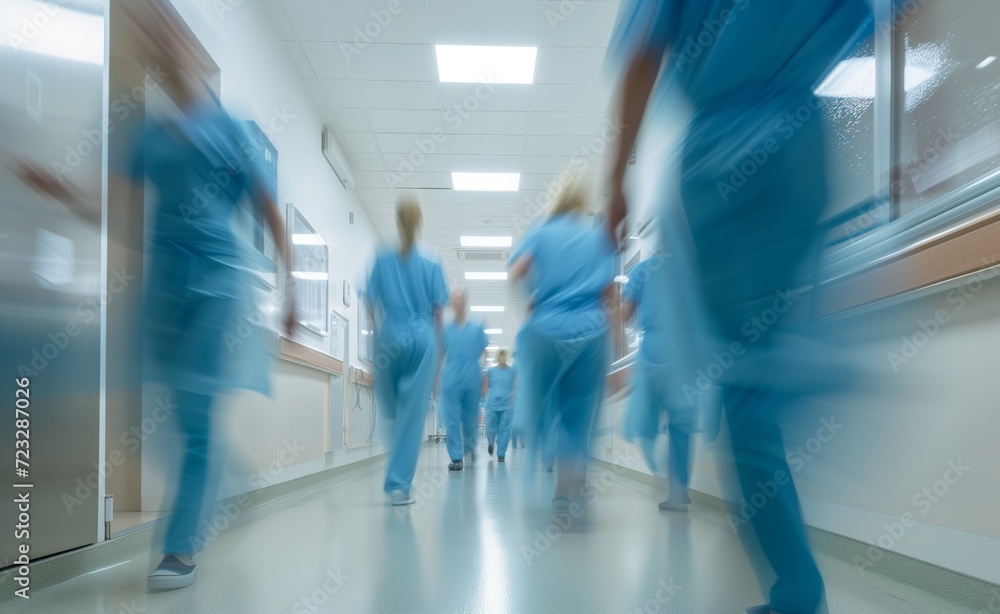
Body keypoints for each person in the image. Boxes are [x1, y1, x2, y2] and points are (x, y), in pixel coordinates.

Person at [12, 0, 296, 590]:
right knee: (156, 420)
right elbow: (111, 207)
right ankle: (228, 482)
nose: (158, 37)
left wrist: (290, 288)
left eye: (166, 26)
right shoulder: (145, 135)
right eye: (148, 30)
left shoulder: (232, 129)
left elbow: (270, 212)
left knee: (193, 413)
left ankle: (180, 548)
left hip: (219, 282)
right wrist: (57, 187)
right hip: (165, 287)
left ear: (189, 46)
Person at [606, 2, 870, 613]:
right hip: (804, 145)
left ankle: (797, 592)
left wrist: (614, 180)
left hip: (723, 162)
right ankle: (810, 376)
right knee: (769, 356)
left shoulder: (646, 270)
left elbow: (643, 49)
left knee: (746, 392)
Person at [508, 178, 616, 514]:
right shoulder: (599, 233)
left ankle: (555, 470)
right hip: (590, 331)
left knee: (549, 404)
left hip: (548, 329)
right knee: (579, 411)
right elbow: (609, 297)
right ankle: (564, 487)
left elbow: (517, 271)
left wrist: (530, 303)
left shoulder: (541, 229)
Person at [365, 196, 449, 505]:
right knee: (412, 415)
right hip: (423, 337)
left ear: (398, 220)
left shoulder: (382, 257)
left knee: (391, 410)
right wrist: (439, 358)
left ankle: (395, 467)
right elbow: (439, 312)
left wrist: (378, 336)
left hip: (390, 335)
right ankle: (399, 485)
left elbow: (369, 302)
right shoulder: (432, 259)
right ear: (420, 220)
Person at [622, 253, 698, 512]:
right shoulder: (693, 265)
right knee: (681, 424)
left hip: (654, 350)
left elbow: (626, 315)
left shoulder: (642, 269)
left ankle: (660, 470)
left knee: (645, 417)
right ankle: (678, 491)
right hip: (686, 351)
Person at [436, 290, 488, 471]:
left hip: (472, 377)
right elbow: (440, 355)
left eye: (458, 299)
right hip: (450, 378)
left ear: (465, 302)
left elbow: (484, 352)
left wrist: (483, 378)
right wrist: (435, 381)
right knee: (451, 419)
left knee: (470, 419)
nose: (455, 302)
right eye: (452, 300)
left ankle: (470, 446)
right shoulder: (445, 330)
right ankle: (456, 457)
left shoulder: (477, 327)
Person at [483, 348, 518, 462]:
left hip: (500, 403)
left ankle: (499, 451)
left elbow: (485, 389)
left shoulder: (492, 371)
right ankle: (499, 451)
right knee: (504, 429)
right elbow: (516, 387)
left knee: (492, 428)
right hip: (504, 403)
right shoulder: (494, 371)